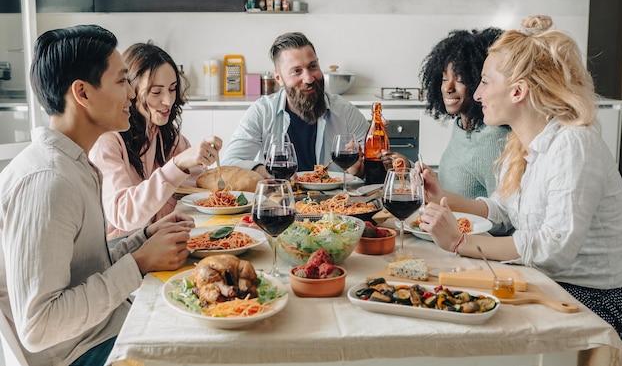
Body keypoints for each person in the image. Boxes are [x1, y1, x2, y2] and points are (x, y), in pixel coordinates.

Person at [418, 15, 622, 343]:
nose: (477, 94)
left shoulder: (574, 145)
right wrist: (441, 195)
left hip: (588, 302)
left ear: (518, 91)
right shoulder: (524, 143)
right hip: (547, 284)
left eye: (485, 82)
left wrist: (461, 243)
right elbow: (503, 211)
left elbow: (553, 247)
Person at [0, 25, 193, 366]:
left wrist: (142, 240)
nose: (133, 95)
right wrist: (139, 262)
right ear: (83, 93)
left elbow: (83, 269)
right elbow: (39, 326)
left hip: (106, 326)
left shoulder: (74, 164)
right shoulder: (47, 182)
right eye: (121, 81)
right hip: (79, 352)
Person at [90, 42, 222, 240]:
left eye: (172, 89)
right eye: (156, 92)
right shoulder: (107, 142)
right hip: (117, 251)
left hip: (156, 239)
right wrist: (177, 164)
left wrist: (222, 177)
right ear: (131, 91)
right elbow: (123, 215)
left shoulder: (167, 135)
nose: (168, 101)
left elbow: (199, 187)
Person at [381, 28, 510, 199]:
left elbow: (503, 216)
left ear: (479, 82)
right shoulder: (462, 126)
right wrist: (409, 168)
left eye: (460, 80)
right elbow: (454, 187)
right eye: (444, 79)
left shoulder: (495, 140)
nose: (448, 88)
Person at [221, 32, 369, 178]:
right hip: (279, 199)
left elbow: (377, 170)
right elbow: (229, 163)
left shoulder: (346, 112)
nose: (309, 79)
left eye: (312, 66)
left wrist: (359, 170)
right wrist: (264, 171)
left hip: (333, 201)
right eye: (297, 71)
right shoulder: (262, 112)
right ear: (279, 78)